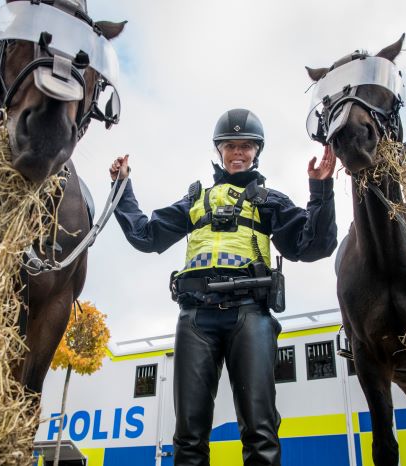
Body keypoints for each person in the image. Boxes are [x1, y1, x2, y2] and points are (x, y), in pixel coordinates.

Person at [108, 108, 337, 466]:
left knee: (260, 430)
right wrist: (123, 188)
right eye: (230, 146)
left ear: (256, 151)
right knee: (188, 435)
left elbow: (313, 246)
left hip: (250, 315)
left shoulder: (270, 200)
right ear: (219, 150)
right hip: (196, 318)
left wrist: (321, 190)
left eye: (246, 146)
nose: (238, 153)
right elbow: (146, 236)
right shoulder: (195, 200)